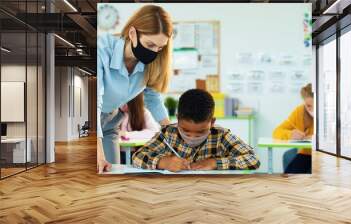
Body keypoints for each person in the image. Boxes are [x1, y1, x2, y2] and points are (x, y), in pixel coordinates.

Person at [97, 5, 173, 173]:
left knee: (113, 174)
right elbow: (96, 103)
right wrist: (99, 155)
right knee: (98, 169)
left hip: (111, 123)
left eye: (159, 48)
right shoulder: (102, 50)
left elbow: (153, 98)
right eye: (150, 44)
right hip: (94, 121)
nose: (154, 52)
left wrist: (171, 132)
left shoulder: (150, 64)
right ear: (133, 34)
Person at [132, 89, 260, 172]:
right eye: (186, 131)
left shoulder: (221, 136)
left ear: (212, 122)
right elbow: (137, 157)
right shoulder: (168, 134)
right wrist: (163, 162)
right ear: (177, 119)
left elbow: (253, 159)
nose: (192, 137)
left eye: (200, 132)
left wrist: (215, 162)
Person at [272, 83, 313, 173]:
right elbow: (277, 131)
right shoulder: (300, 111)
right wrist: (290, 134)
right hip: (305, 154)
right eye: (308, 106)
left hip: (324, 155)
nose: (312, 109)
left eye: (315, 106)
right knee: (289, 178)